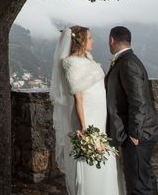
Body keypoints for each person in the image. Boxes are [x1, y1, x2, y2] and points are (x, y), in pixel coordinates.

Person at [51, 26, 123, 195]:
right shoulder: (71, 63)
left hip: (100, 116)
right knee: (89, 158)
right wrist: (84, 127)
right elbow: (78, 97)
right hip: (87, 117)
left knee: (106, 156)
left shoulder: (89, 59)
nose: (93, 41)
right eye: (90, 38)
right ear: (81, 41)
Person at [105, 26, 158, 195]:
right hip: (140, 130)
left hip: (138, 133)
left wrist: (135, 133)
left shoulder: (128, 62)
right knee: (145, 178)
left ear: (111, 40)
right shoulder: (128, 59)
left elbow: (138, 101)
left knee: (138, 183)